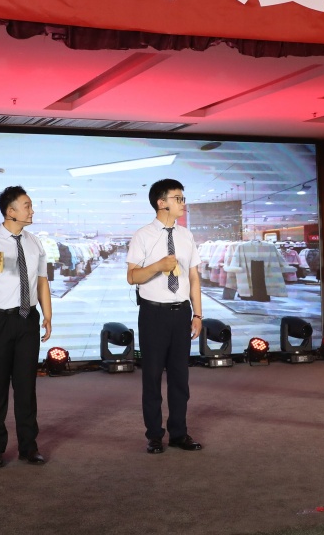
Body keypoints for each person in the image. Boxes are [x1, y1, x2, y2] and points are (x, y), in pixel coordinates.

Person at [0, 186, 52, 467]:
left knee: (26, 386)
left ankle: (29, 447)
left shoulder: (34, 242)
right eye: (27, 205)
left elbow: (42, 281)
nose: (32, 210)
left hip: (27, 319)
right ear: (10, 211)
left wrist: (48, 315)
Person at [126, 179, 203, 454]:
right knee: (152, 377)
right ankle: (154, 435)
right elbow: (132, 276)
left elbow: (194, 276)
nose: (183, 203)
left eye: (183, 198)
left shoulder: (186, 236)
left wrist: (198, 314)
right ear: (161, 203)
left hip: (181, 313)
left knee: (180, 378)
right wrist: (158, 265)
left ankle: (179, 433)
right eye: (177, 198)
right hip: (153, 314)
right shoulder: (143, 235)